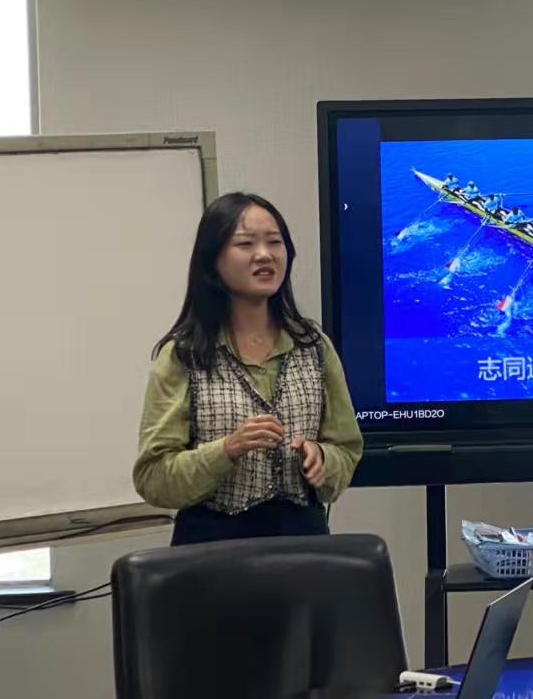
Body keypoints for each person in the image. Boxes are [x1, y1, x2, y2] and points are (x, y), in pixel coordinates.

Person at [135, 193, 363, 545]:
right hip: (211, 550)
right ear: (212, 261)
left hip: (304, 548)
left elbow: (347, 450)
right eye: (245, 244)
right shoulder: (185, 355)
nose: (264, 255)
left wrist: (322, 457)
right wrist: (227, 449)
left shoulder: (314, 347)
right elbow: (153, 478)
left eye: (274, 242)